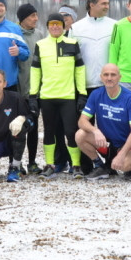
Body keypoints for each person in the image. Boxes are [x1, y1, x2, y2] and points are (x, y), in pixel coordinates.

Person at [30, 12, 87, 178]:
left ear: (64, 26)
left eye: (58, 24)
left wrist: (82, 93)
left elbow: (80, 70)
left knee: (70, 131)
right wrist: (33, 95)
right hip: (47, 97)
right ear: (47, 26)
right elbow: (35, 71)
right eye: (52, 24)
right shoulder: (40, 45)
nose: (55, 27)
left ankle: (75, 165)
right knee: (49, 131)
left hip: (68, 96)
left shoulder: (72, 43)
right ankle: (50, 165)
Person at [75, 64, 131, 180]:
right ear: (101, 77)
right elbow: (82, 121)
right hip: (108, 143)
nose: (109, 78)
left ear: (119, 77)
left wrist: (121, 155)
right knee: (80, 135)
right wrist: (95, 130)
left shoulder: (130, 97)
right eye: (106, 75)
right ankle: (101, 166)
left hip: (127, 145)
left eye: (113, 75)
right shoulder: (96, 94)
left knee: (124, 165)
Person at [70, 0, 116, 94]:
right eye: (103, 4)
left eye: (108, 3)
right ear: (92, 5)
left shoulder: (115, 26)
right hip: (83, 86)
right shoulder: (76, 28)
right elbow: (70, 58)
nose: (107, 6)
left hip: (108, 85)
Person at [15, 2, 42, 173]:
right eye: (32, 16)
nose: (36, 19)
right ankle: (16, 162)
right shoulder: (14, 33)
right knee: (17, 128)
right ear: (23, 19)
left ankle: (32, 161)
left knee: (33, 127)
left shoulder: (39, 35)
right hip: (17, 89)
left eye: (36, 15)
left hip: (35, 91)